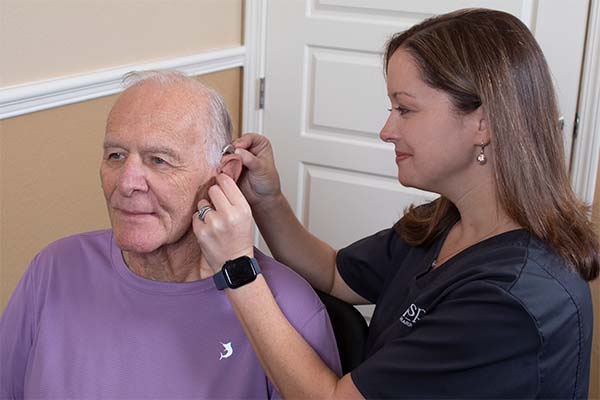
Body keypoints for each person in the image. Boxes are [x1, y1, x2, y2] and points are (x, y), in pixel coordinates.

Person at [191, 8, 599, 399]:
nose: (387, 130)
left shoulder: (509, 302)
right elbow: (334, 273)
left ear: (483, 123)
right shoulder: (448, 223)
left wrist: (237, 268)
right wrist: (268, 200)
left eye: (405, 109)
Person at [0, 70, 341, 399]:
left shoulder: (290, 309)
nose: (127, 182)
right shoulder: (53, 270)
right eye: (116, 155)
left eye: (159, 160)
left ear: (224, 175)